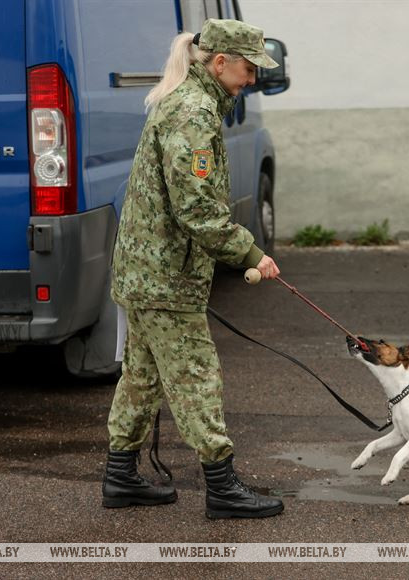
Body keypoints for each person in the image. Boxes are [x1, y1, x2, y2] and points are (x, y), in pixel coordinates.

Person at [102, 19, 284, 519]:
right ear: (219, 62)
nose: (251, 79)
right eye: (248, 69)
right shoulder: (193, 112)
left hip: (147, 272)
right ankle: (222, 488)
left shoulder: (189, 103)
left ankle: (121, 476)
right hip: (164, 278)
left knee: (141, 376)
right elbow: (197, 210)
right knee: (196, 375)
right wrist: (251, 252)